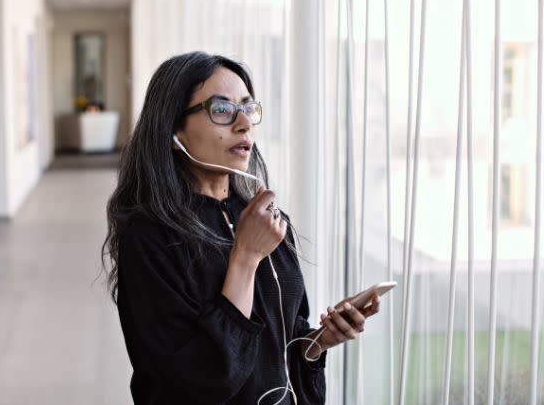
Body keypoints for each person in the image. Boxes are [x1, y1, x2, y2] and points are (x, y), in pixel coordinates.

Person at [101, 51, 380, 404]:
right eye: (221, 110)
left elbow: (282, 344)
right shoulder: (150, 236)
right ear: (174, 127)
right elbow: (204, 380)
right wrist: (245, 258)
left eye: (248, 108)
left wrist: (320, 340)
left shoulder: (264, 219)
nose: (244, 123)